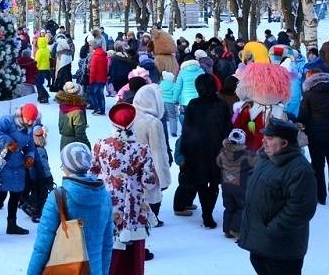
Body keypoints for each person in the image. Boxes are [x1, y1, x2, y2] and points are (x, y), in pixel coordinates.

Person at [238, 118, 317, 275]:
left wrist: (272, 229)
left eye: (270, 138)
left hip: (282, 250)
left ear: (285, 144)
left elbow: (301, 209)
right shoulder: (266, 158)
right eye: (264, 137)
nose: (264, 141)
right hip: (262, 242)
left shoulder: (300, 170)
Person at [90, 104, 157, 275]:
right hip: (133, 204)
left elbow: (93, 172)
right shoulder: (142, 149)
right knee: (133, 251)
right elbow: (148, 182)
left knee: (106, 245)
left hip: (106, 200)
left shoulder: (100, 145)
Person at [28, 142, 113, 275]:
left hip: (64, 269)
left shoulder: (58, 196)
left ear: (67, 166)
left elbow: (42, 246)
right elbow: (107, 244)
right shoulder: (104, 196)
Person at [172, 74, 231, 228]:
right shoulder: (222, 105)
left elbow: (186, 130)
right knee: (213, 183)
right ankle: (207, 214)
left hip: (195, 150)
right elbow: (227, 129)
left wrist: (183, 152)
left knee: (200, 181)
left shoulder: (193, 104)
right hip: (215, 150)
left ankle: (203, 212)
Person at [0, 103, 38, 235]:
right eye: (28, 119)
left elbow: (30, 146)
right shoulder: (8, 121)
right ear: (22, 115)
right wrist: (8, 142)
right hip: (2, 162)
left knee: (15, 196)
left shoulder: (30, 127)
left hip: (17, 166)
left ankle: (12, 225)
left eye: (33, 120)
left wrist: (30, 157)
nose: (31, 123)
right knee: (0, 197)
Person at [132, 83, 171, 237]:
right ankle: (151, 219)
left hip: (130, 165)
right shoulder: (153, 122)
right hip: (149, 167)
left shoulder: (129, 115)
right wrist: (164, 177)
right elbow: (158, 151)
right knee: (152, 194)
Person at [216, 128, 256, 239]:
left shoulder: (222, 152)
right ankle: (236, 229)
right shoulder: (247, 155)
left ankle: (227, 230)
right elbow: (257, 162)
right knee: (242, 207)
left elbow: (218, 162)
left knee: (229, 207)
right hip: (240, 187)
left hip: (226, 185)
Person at [298, 69, 329, 205]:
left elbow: (303, 117)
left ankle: (320, 197)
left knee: (318, 166)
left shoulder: (308, 95)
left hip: (315, 136)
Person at [56, 82, 89, 149]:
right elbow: (80, 134)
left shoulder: (63, 105)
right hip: (75, 144)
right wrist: (87, 146)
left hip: (64, 141)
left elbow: (60, 125)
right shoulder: (78, 112)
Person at [88, 41, 108, 115]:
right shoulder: (104, 55)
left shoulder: (95, 56)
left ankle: (97, 108)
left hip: (96, 79)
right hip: (103, 78)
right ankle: (102, 110)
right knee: (101, 94)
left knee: (92, 94)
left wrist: (91, 80)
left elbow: (93, 70)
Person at [33, 33, 51, 103]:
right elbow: (49, 58)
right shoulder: (47, 50)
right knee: (40, 83)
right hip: (46, 68)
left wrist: (35, 68)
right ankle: (42, 96)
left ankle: (44, 96)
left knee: (38, 84)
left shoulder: (39, 51)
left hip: (39, 69)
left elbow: (37, 61)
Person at [159, 70, 178, 137]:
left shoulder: (161, 84)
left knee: (161, 116)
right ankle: (173, 132)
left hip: (161, 101)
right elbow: (175, 95)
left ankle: (161, 131)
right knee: (172, 116)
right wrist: (175, 101)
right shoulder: (174, 85)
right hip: (170, 102)